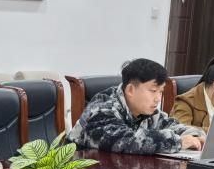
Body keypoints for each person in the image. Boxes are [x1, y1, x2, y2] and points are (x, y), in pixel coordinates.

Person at [68, 58, 203, 155]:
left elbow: (171, 125)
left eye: (160, 91)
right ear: (131, 90)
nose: (157, 98)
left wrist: (195, 137)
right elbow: (126, 141)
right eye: (153, 91)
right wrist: (178, 142)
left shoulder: (147, 111)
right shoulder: (102, 109)